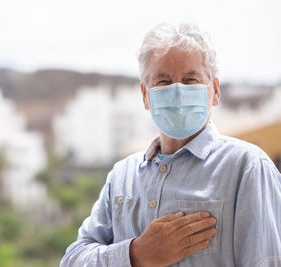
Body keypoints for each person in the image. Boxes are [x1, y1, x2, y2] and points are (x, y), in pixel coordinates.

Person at [60, 23, 281, 266]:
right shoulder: (122, 176)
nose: (177, 91)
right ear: (145, 95)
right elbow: (73, 259)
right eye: (163, 81)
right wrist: (135, 254)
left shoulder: (246, 168)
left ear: (215, 90)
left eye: (190, 79)